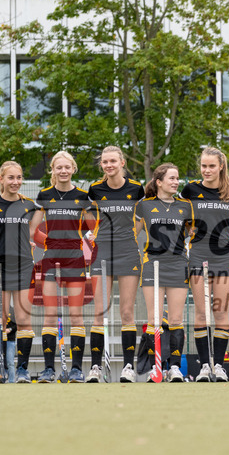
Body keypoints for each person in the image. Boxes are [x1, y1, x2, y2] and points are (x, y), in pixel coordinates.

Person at [35, 150, 97, 383]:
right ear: (53, 170)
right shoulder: (44, 195)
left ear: (73, 169)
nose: (63, 171)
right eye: (58, 167)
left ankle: (76, 369)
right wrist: (49, 243)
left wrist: (89, 241)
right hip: (51, 260)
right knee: (50, 315)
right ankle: (49, 370)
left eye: (67, 167)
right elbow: (33, 230)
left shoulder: (82, 197)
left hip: (75, 258)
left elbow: (93, 229)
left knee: (76, 315)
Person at [88, 146, 145, 383]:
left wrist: (129, 235)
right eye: (105, 162)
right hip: (102, 254)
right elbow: (91, 217)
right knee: (100, 312)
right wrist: (96, 235)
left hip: (128, 252)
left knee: (127, 312)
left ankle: (128, 367)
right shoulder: (95, 189)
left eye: (113, 161)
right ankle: (95, 367)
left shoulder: (136, 189)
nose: (109, 165)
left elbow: (142, 218)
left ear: (122, 163)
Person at [183, 146, 229, 382]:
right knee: (202, 312)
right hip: (198, 256)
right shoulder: (190, 190)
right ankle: (205, 365)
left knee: (220, 311)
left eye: (211, 166)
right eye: (203, 166)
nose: (206, 170)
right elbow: (181, 219)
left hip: (225, 256)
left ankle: (220, 366)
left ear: (221, 166)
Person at [0, 161, 41, 384]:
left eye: (18, 178)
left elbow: (32, 233)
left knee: (24, 318)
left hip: (24, 265)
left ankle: (22, 370)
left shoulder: (30, 206)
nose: (15, 182)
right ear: (1, 179)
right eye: (10, 178)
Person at [136, 163, 191, 382]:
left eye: (177, 178)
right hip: (152, 265)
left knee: (176, 319)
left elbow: (191, 231)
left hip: (178, 264)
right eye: (171, 178)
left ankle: (175, 368)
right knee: (154, 320)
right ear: (159, 182)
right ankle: (155, 368)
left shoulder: (186, 205)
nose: (176, 182)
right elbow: (131, 232)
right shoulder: (144, 205)